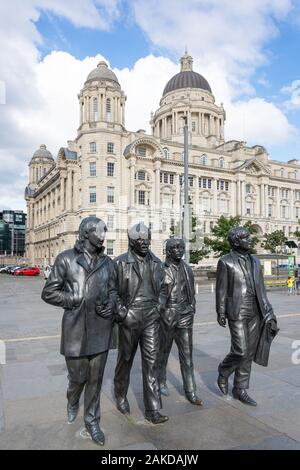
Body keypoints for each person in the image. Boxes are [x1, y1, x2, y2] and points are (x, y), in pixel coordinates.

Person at [41, 216, 116, 445]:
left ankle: (92, 421)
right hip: (75, 329)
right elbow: (48, 292)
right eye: (99, 231)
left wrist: (111, 304)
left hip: (101, 328)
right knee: (78, 378)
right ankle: (72, 400)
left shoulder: (108, 262)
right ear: (86, 233)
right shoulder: (66, 259)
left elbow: (113, 290)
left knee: (95, 379)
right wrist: (71, 298)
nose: (103, 235)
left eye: (104, 231)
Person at [113, 222, 169, 425]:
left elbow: (163, 289)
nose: (144, 243)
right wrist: (123, 313)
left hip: (151, 317)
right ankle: (120, 395)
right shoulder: (119, 263)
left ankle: (153, 409)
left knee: (152, 362)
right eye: (140, 240)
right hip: (130, 316)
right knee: (125, 360)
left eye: (147, 239)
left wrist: (160, 306)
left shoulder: (157, 263)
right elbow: (112, 293)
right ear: (131, 242)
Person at [216, 226, 277, 406]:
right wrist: (220, 311)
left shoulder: (256, 262)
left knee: (248, 353)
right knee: (240, 350)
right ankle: (224, 370)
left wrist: (269, 311)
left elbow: (262, 289)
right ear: (236, 241)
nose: (250, 240)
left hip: (256, 311)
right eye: (245, 238)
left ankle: (240, 388)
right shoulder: (225, 261)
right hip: (236, 310)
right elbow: (221, 289)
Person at [159, 237, 203, 406]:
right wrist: (162, 311)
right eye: (175, 248)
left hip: (185, 314)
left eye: (182, 247)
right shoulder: (160, 269)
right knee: (163, 352)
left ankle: (190, 391)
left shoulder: (187, 268)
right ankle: (161, 381)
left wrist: (192, 307)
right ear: (168, 251)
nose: (179, 250)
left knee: (187, 356)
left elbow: (191, 291)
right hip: (167, 315)